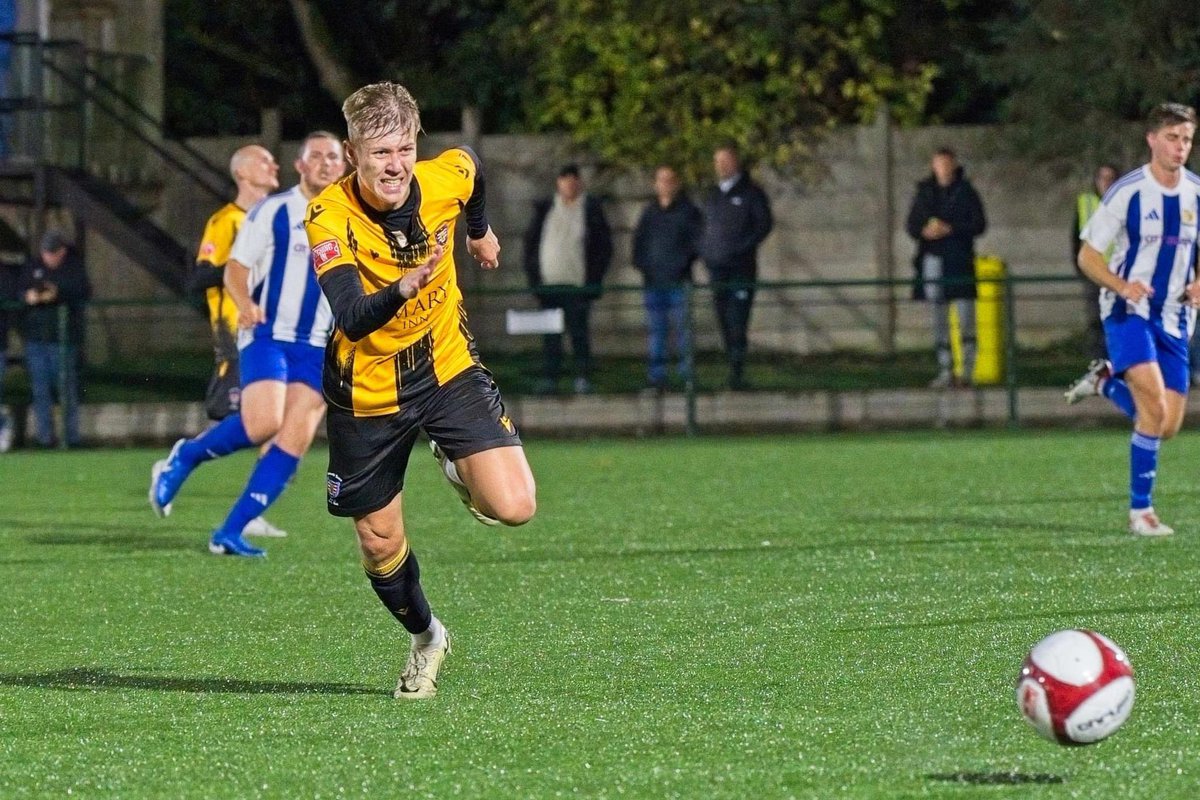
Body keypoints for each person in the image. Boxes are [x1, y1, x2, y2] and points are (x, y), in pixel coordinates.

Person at [305, 81, 536, 699]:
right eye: (380, 152)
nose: (395, 164)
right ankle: (428, 636)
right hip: (367, 391)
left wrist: (479, 232)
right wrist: (402, 289)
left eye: (404, 148)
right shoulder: (329, 215)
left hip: (446, 369)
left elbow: (473, 171)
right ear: (352, 153)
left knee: (515, 507)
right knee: (379, 542)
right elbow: (351, 314)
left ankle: (453, 461)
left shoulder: (443, 176)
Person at [149, 132, 346, 557]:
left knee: (292, 441)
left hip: (318, 344)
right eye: (318, 156)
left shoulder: (356, 218)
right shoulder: (274, 211)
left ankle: (229, 533)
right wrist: (244, 303)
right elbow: (234, 269)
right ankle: (186, 456)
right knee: (262, 424)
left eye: (335, 157)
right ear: (301, 165)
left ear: (345, 164)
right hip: (268, 333)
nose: (327, 163)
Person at [1063, 102, 1200, 536]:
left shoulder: (1197, 192)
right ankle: (1141, 512)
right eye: (1172, 138)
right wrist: (1122, 287)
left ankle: (1105, 382)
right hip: (1129, 312)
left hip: (1176, 318)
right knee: (1155, 408)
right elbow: (1087, 256)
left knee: (1168, 426)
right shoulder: (1128, 192)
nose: (1181, 148)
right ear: (1152, 140)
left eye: (1187, 139)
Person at [188, 143, 286, 540]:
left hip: (274, 336)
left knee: (276, 423)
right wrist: (241, 267)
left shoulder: (279, 219)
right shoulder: (226, 222)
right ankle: (181, 459)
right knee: (256, 424)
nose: (274, 165)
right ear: (242, 174)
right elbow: (199, 278)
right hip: (238, 337)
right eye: (264, 160)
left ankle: (252, 509)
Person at [522, 163, 612, 395]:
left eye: (573, 179)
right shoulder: (546, 209)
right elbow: (530, 246)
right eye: (565, 179)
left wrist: (594, 280)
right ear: (558, 183)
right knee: (551, 336)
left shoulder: (590, 209)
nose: (569, 184)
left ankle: (582, 377)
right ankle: (551, 378)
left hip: (578, 285)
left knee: (579, 333)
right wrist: (534, 280)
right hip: (549, 285)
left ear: (579, 183)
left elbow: (603, 247)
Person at [905, 146, 987, 389]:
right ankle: (945, 370)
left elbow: (979, 224)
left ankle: (967, 373)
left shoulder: (966, 192)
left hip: (959, 261)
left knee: (965, 319)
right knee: (939, 319)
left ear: (953, 165)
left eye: (946, 163)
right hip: (933, 261)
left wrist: (951, 229)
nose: (942, 168)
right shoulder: (924, 193)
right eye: (938, 164)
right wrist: (926, 231)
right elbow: (911, 225)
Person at [699, 144, 773, 390]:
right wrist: (707, 253)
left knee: (738, 319)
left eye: (725, 160)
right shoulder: (712, 195)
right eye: (717, 161)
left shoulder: (752, 193)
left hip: (741, 269)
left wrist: (740, 248)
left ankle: (738, 371)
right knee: (723, 318)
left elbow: (763, 225)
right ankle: (732, 368)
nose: (720, 166)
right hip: (717, 269)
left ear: (736, 162)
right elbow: (704, 229)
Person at [632, 164, 702, 391]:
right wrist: (644, 267)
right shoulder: (649, 213)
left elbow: (696, 243)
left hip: (680, 282)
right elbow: (638, 244)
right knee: (656, 332)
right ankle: (657, 376)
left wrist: (681, 265)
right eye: (661, 180)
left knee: (684, 331)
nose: (665, 184)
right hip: (653, 282)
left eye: (670, 180)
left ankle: (686, 377)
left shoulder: (688, 211)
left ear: (677, 183)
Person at [17, 230, 90, 447]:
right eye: (46, 253)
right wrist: (28, 296)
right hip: (36, 339)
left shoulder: (73, 267)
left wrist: (57, 293)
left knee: (66, 390)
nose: (48, 257)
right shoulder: (33, 266)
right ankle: (44, 438)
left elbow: (83, 290)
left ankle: (70, 438)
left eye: (52, 253)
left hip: (63, 340)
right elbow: (20, 291)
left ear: (62, 252)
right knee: (41, 390)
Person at [1072, 163, 1119, 360]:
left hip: (1119, 275)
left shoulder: (1125, 202)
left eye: (1110, 178)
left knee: (1119, 322)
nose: (1106, 183)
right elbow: (1075, 239)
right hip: (1094, 274)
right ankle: (1099, 367)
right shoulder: (1086, 202)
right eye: (1102, 178)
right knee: (1095, 322)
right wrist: (1082, 269)